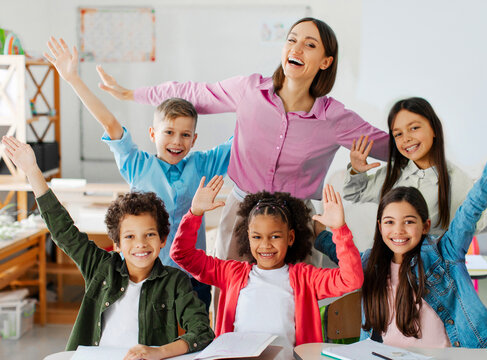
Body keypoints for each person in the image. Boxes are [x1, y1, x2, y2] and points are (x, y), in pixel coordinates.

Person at [95, 17, 389, 263]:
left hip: (295, 222)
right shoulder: (250, 91)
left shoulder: (334, 118)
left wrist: (426, 150)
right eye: (292, 39)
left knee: (294, 306)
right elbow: (193, 93)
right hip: (241, 214)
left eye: (309, 45)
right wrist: (131, 94)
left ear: (326, 61)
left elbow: (392, 146)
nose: (296, 48)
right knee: (231, 301)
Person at [44, 37, 232, 309]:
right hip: (145, 273)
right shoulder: (137, 164)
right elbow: (109, 122)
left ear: (194, 139)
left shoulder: (203, 163)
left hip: (192, 276)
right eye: (169, 133)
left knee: (195, 341)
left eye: (185, 135)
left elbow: (244, 136)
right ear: (153, 133)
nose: (177, 142)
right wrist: (72, 78)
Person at [1, 136, 214, 359]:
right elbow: (63, 230)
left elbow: (202, 331)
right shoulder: (101, 267)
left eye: (149, 234)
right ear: (117, 244)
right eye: (130, 236)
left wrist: (159, 351)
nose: (140, 243)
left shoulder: (175, 282)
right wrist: (33, 170)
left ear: (163, 239)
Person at [359, 110, 487, 348]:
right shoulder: (369, 262)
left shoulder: (444, 253)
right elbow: (336, 251)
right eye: (390, 222)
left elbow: (473, 207)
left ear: (425, 226)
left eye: (409, 221)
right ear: (379, 226)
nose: (399, 231)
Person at [169, 175, 362, 357]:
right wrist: (195, 214)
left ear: (291, 238)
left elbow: (351, 279)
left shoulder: (306, 278)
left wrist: (339, 229)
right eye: (257, 237)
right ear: (248, 237)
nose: (265, 245)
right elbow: (182, 255)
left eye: (275, 236)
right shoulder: (230, 273)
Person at [316, 99, 487, 263]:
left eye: (414, 128)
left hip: (433, 275)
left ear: (433, 129)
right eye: (398, 134)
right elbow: (355, 193)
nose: (406, 138)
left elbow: (485, 216)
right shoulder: (393, 175)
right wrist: (357, 170)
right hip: (392, 271)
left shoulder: (453, 180)